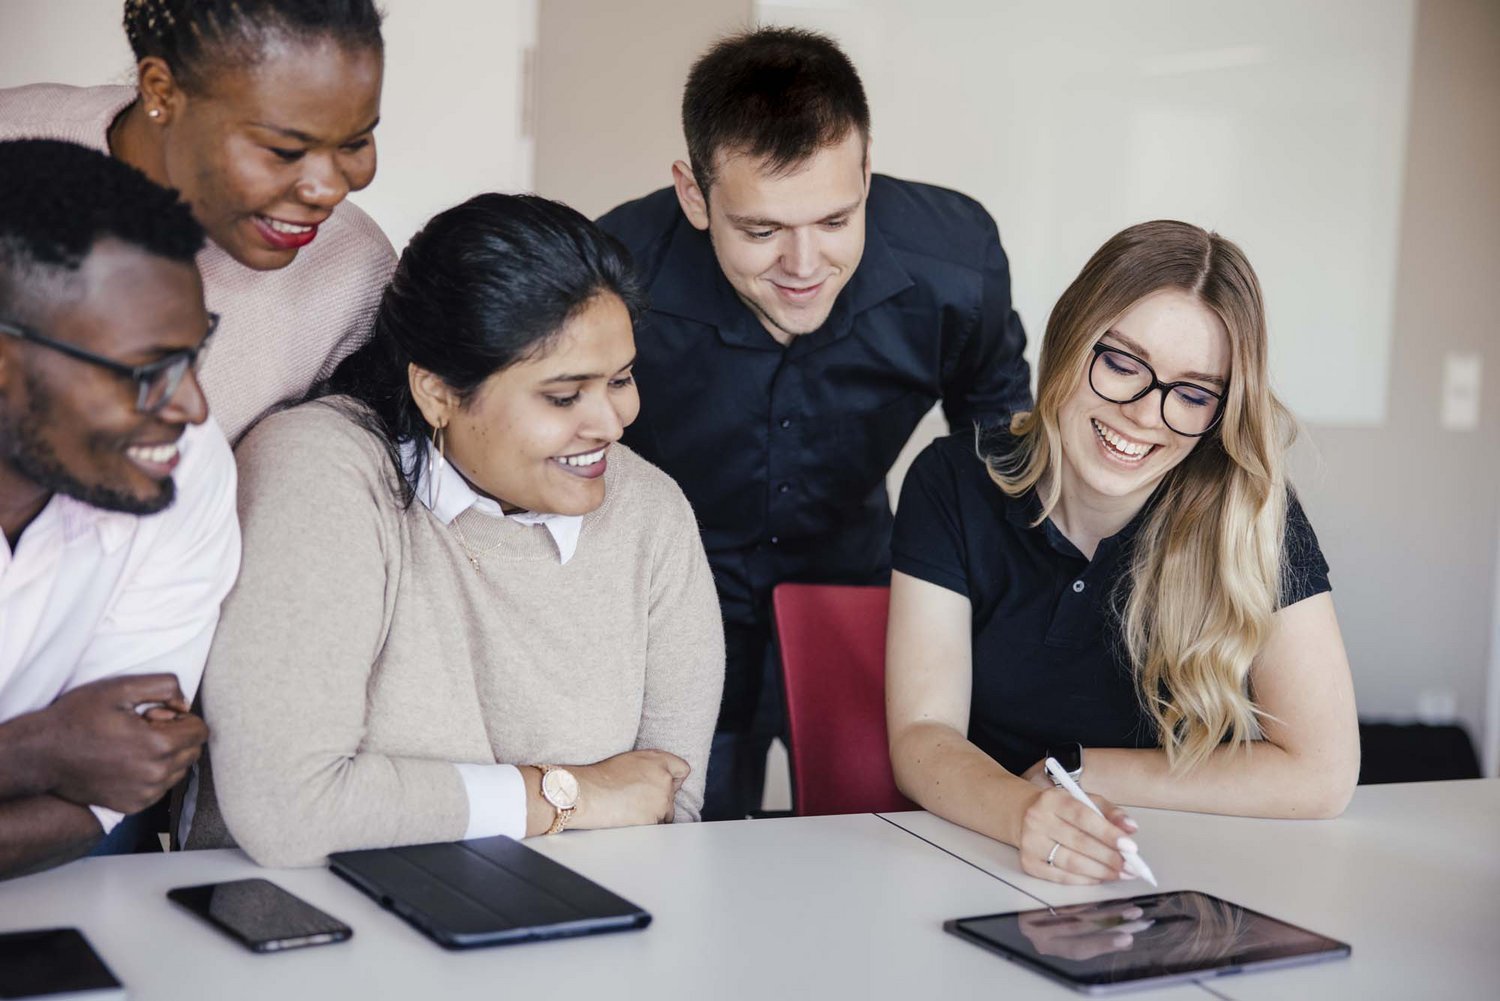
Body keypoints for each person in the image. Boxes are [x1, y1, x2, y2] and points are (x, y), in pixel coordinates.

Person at [185, 194, 725, 868]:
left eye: (621, 379)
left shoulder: (651, 512)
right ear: (436, 391)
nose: (612, 422)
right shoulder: (320, 470)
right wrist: (569, 794)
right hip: (310, 926)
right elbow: (287, 808)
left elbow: (664, 808)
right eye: (563, 396)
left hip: (572, 938)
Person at [597, 27, 1031, 820]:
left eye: (834, 221)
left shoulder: (955, 264)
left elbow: (999, 442)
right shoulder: (615, 270)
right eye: (762, 231)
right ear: (694, 196)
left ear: (867, 172)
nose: (803, 266)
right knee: (678, 838)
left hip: (856, 587)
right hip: (668, 605)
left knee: (877, 833)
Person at [886, 220, 1360, 885]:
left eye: (1192, 393)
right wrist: (1028, 812)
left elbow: (1324, 772)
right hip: (979, 856)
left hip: (1173, 875)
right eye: (1121, 363)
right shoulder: (952, 479)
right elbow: (921, 736)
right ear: (1071, 337)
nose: (1144, 413)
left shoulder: (1251, 510)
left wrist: (1078, 769)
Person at [0, 139, 240, 878]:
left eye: (193, 354)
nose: (193, 405)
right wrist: (33, 749)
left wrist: (71, 761)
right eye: (147, 372)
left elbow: (111, 785)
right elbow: (75, 764)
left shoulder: (182, 466)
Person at [0, 0, 396, 441]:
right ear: (161, 91)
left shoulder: (354, 276)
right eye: (284, 151)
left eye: (356, 141)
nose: (330, 189)